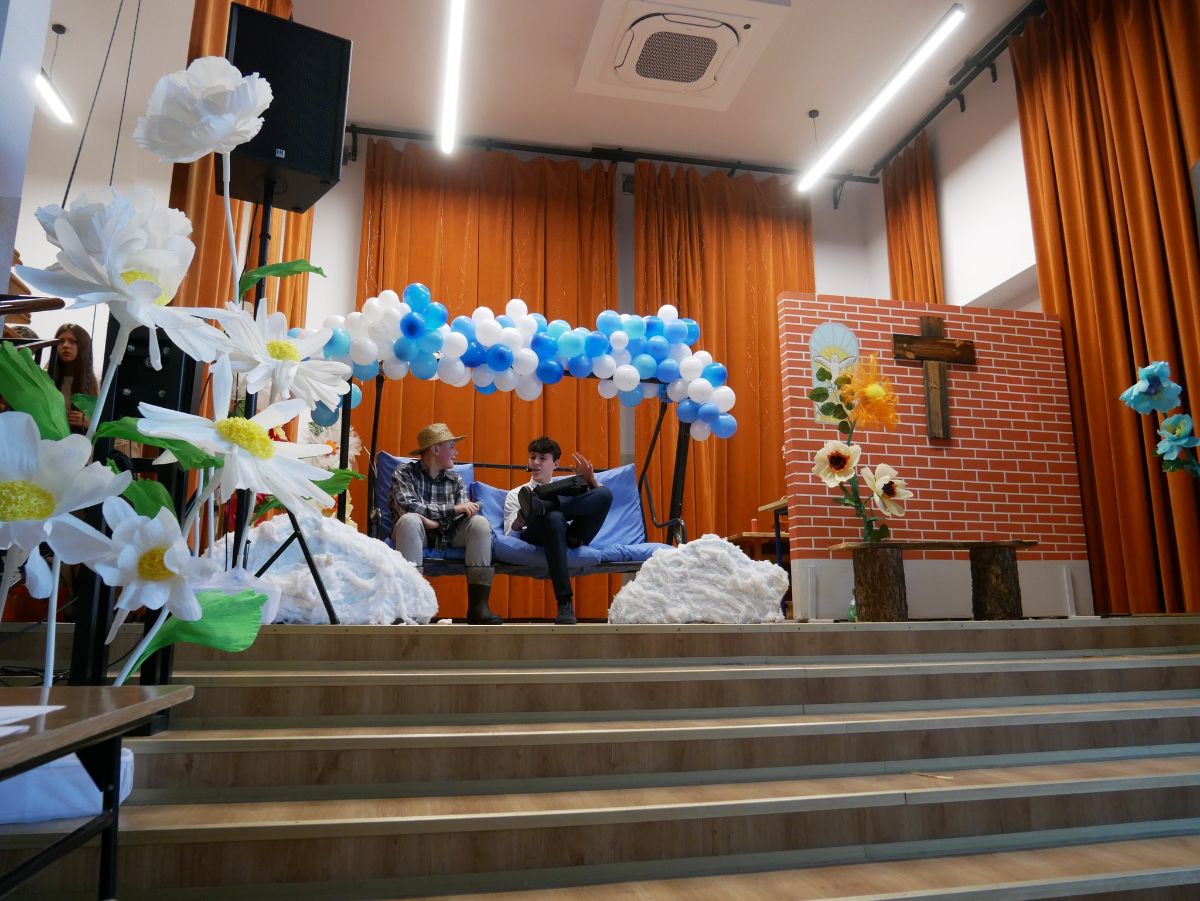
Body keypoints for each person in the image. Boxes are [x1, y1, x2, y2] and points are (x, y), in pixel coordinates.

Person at [390, 423, 501, 625]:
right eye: (452, 447)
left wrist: (433, 521)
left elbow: (464, 515)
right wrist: (452, 510)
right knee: (410, 520)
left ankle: (478, 607)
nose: (456, 453)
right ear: (435, 449)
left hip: (450, 534)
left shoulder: (455, 479)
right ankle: (410, 608)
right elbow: (407, 506)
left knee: (479, 523)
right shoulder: (404, 472)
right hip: (415, 534)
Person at [503, 437, 613, 625]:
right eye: (532, 457)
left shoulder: (569, 487)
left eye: (542, 458)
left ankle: (544, 505)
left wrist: (592, 480)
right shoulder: (518, 494)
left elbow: (601, 500)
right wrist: (521, 519)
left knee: (605, 493)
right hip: (537, 534)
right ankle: (564, 602)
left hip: (569, 536)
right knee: (553, 518)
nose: (536, 463)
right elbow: (510, 537)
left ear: (555, 464)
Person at [47, 323, 99, 433]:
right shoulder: (46, 377)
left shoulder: (95, 385)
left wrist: (90, 424)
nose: (65, 345)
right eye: (61, 341)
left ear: (83, 346)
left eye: (73, 341)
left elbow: (104, 427)